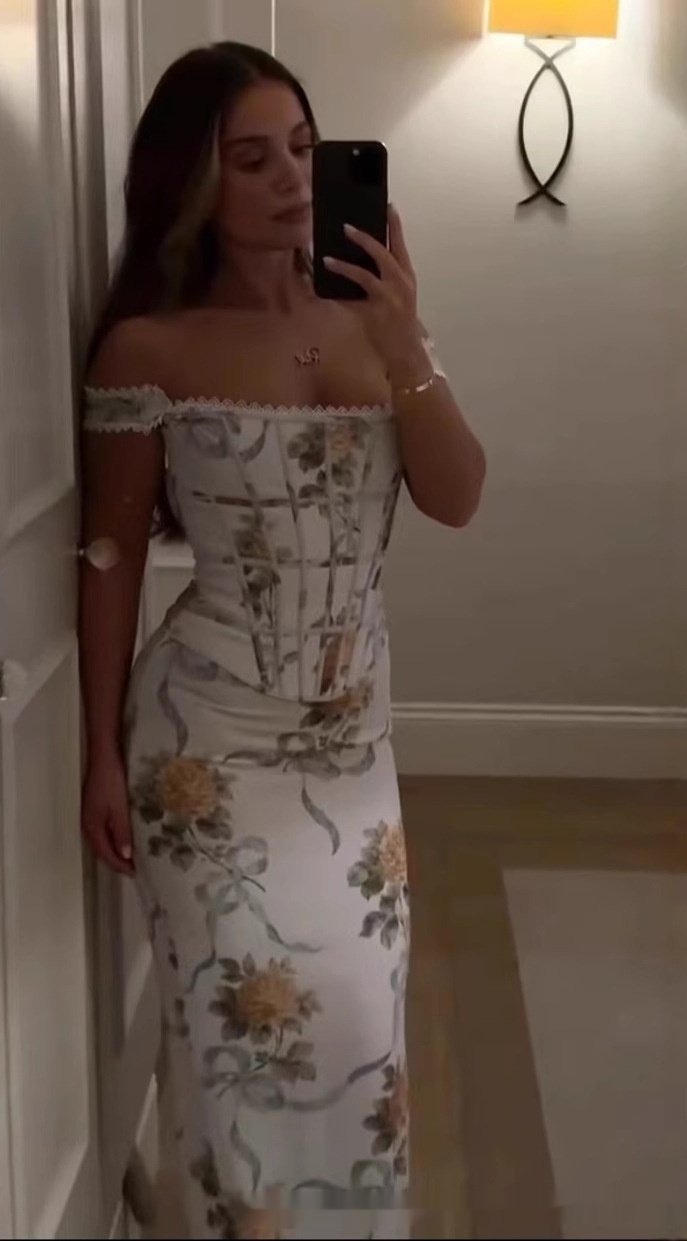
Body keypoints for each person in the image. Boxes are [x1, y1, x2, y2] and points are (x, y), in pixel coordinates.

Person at [78, 41, 485, 1241]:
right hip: (204, 750)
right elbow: (107, 558)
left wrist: (407, 344)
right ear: (194, 183)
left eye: (302, 149)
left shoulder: (376, 328)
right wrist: (98, 750)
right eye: (250, 159)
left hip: (354, 750)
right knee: (236, 1048)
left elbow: (459, 495)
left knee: (360, 1033)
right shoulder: (150, 348)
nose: (292, 179)